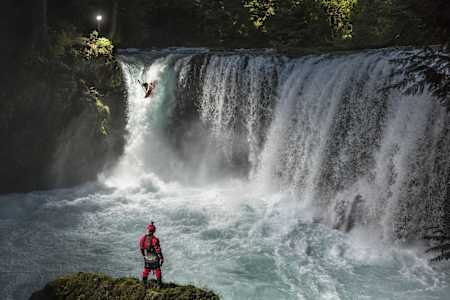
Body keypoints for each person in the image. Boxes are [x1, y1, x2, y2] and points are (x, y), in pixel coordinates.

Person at [139, 222, 164, 288]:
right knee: (157, 270)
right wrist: (161, 258)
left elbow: (141, 248)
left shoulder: (143, 238)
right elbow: (158, 250)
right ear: (154, 231)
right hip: (154, 258)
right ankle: (159, 285)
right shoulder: (155, 239)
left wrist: (144, 255)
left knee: (146, 270)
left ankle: (144, 284)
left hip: (147, 257)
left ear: (148, 230)